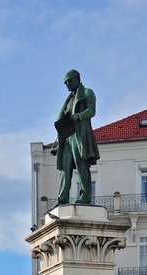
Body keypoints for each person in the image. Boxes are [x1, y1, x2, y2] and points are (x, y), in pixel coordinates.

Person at [52, 69, 100, 205]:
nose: (67, 84)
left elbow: (92, 110)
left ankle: (85, 196)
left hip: (80, 135)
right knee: (65, 169)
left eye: (69, 80)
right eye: (65, 82)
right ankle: (63, 198)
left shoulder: (87, 92)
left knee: (81, 166)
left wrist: (78, 116)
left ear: (77, 79)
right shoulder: (68, 100)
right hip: (67, 137)